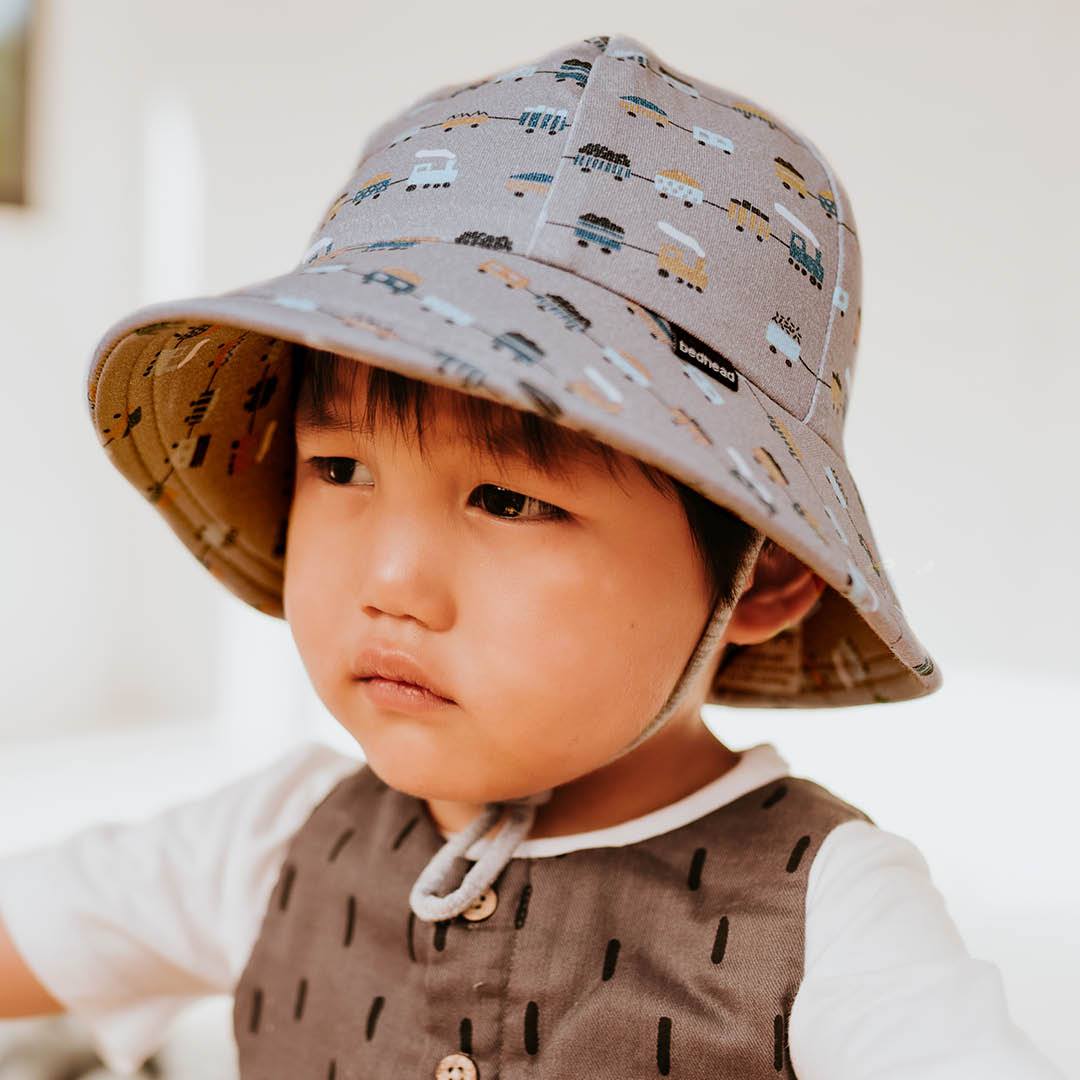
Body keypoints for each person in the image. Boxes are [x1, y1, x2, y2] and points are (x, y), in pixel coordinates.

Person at [0, 30, 1066, 1080]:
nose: (389, 583)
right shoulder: (273, 846)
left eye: (506, 498)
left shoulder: (826, 915)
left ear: (767, 572)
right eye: (340, 470)